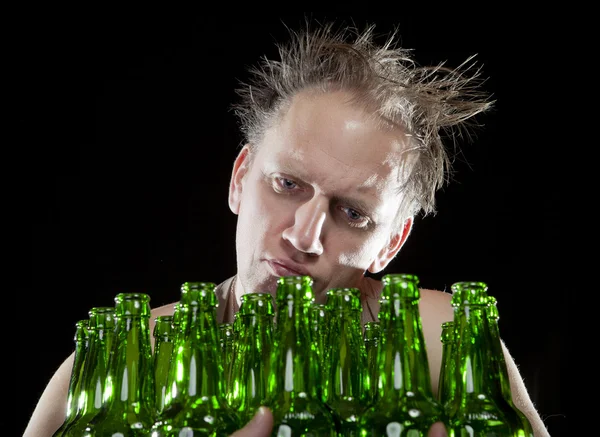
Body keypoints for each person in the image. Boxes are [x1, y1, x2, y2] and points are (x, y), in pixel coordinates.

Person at [24, 21, 551, 437]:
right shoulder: (120, 362)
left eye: (352, 214)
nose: (304, 236)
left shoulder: (444, 341)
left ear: (390, 243)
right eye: (287, 184)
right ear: (239, 179)